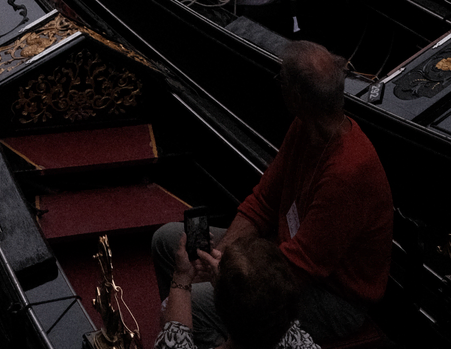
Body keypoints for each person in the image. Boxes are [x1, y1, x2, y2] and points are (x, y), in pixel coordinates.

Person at [152, 42, 393, 346]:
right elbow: (263, 202)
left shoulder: (348, 172)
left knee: (195, 303)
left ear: (296, 96)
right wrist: (221, 254)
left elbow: (302, 265)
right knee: (165, 240)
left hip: (332, 296)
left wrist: (223, 277)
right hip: (277, 261)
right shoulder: (304, 127)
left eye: (281, 80)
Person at [157, 234, 318, 349]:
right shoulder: (301, 342)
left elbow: (174, 337)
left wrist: (182, 276)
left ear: (217, 307)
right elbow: (276, 310)